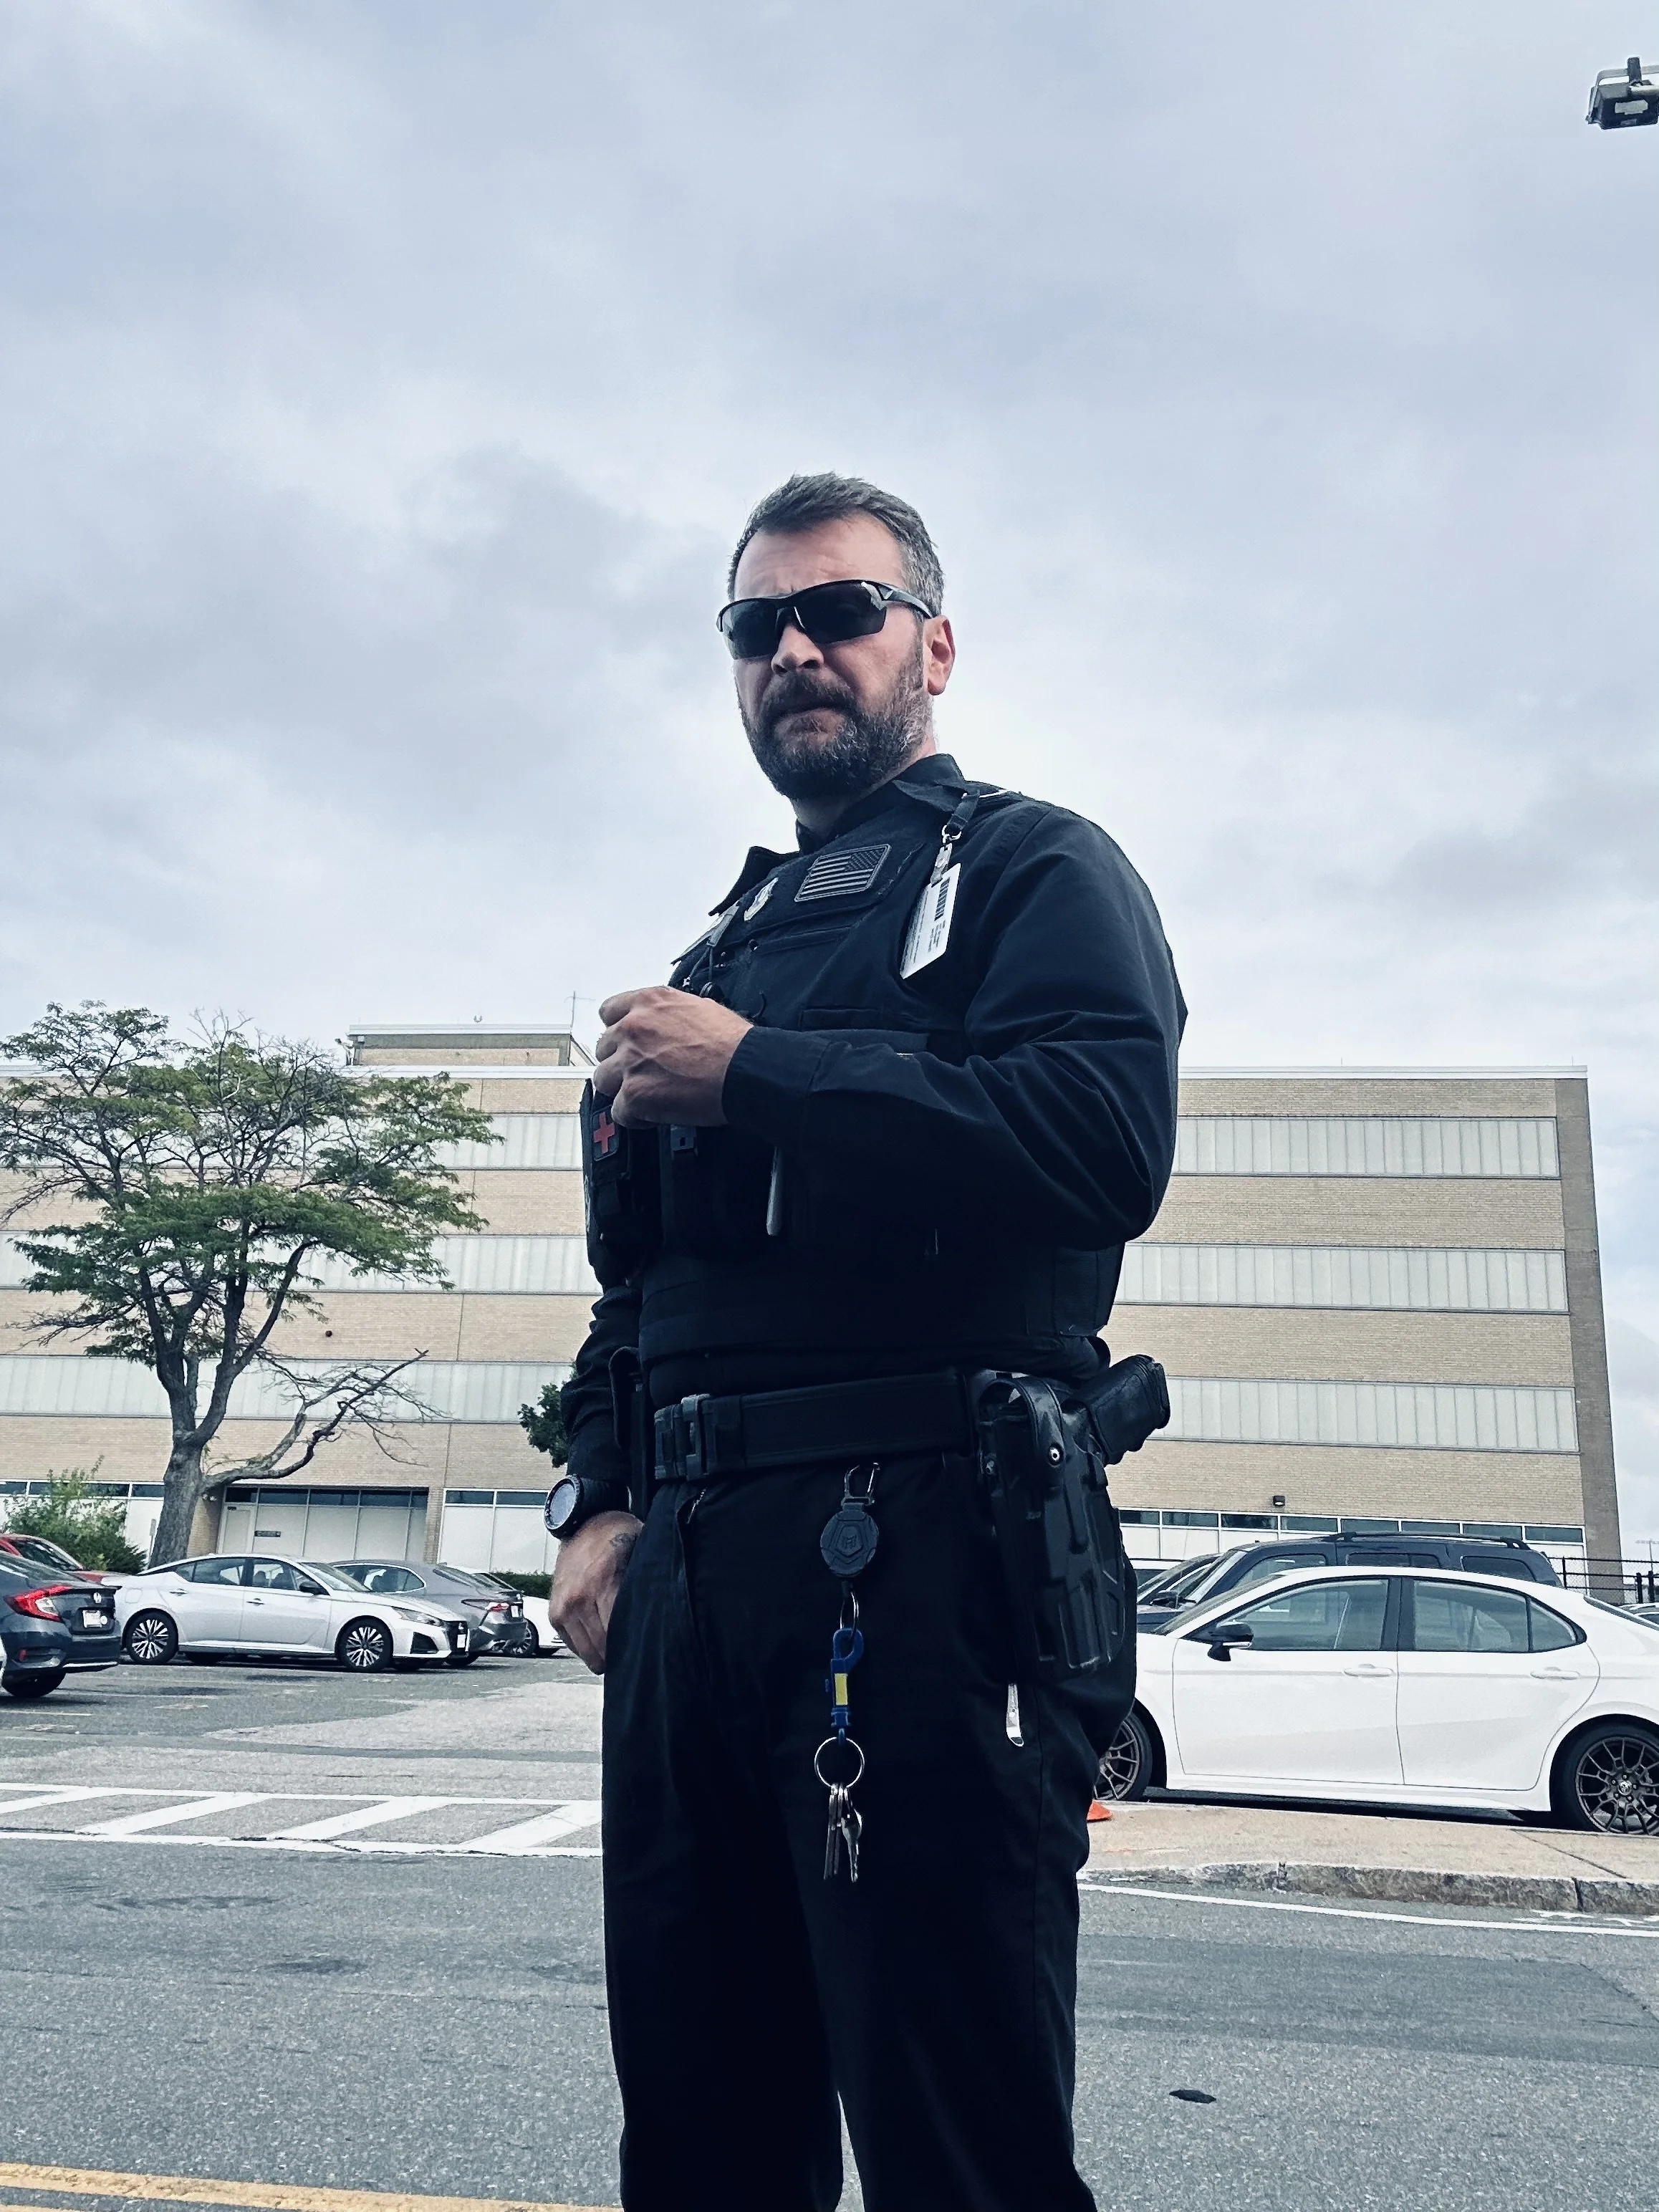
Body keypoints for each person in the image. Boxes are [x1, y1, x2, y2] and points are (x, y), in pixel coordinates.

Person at [547, 471, 1185, 2212]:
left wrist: (755, 1071)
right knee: (696, 2135)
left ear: (936, 643)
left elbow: (1098, 1135)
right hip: (686, 1578)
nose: (798, 651)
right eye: (759, 625)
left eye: (842, 612)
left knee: (952, 2144)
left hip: (926, 1552)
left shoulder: (1037, 865)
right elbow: (637, 1292)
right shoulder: (721, 943)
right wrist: (595, 1503)